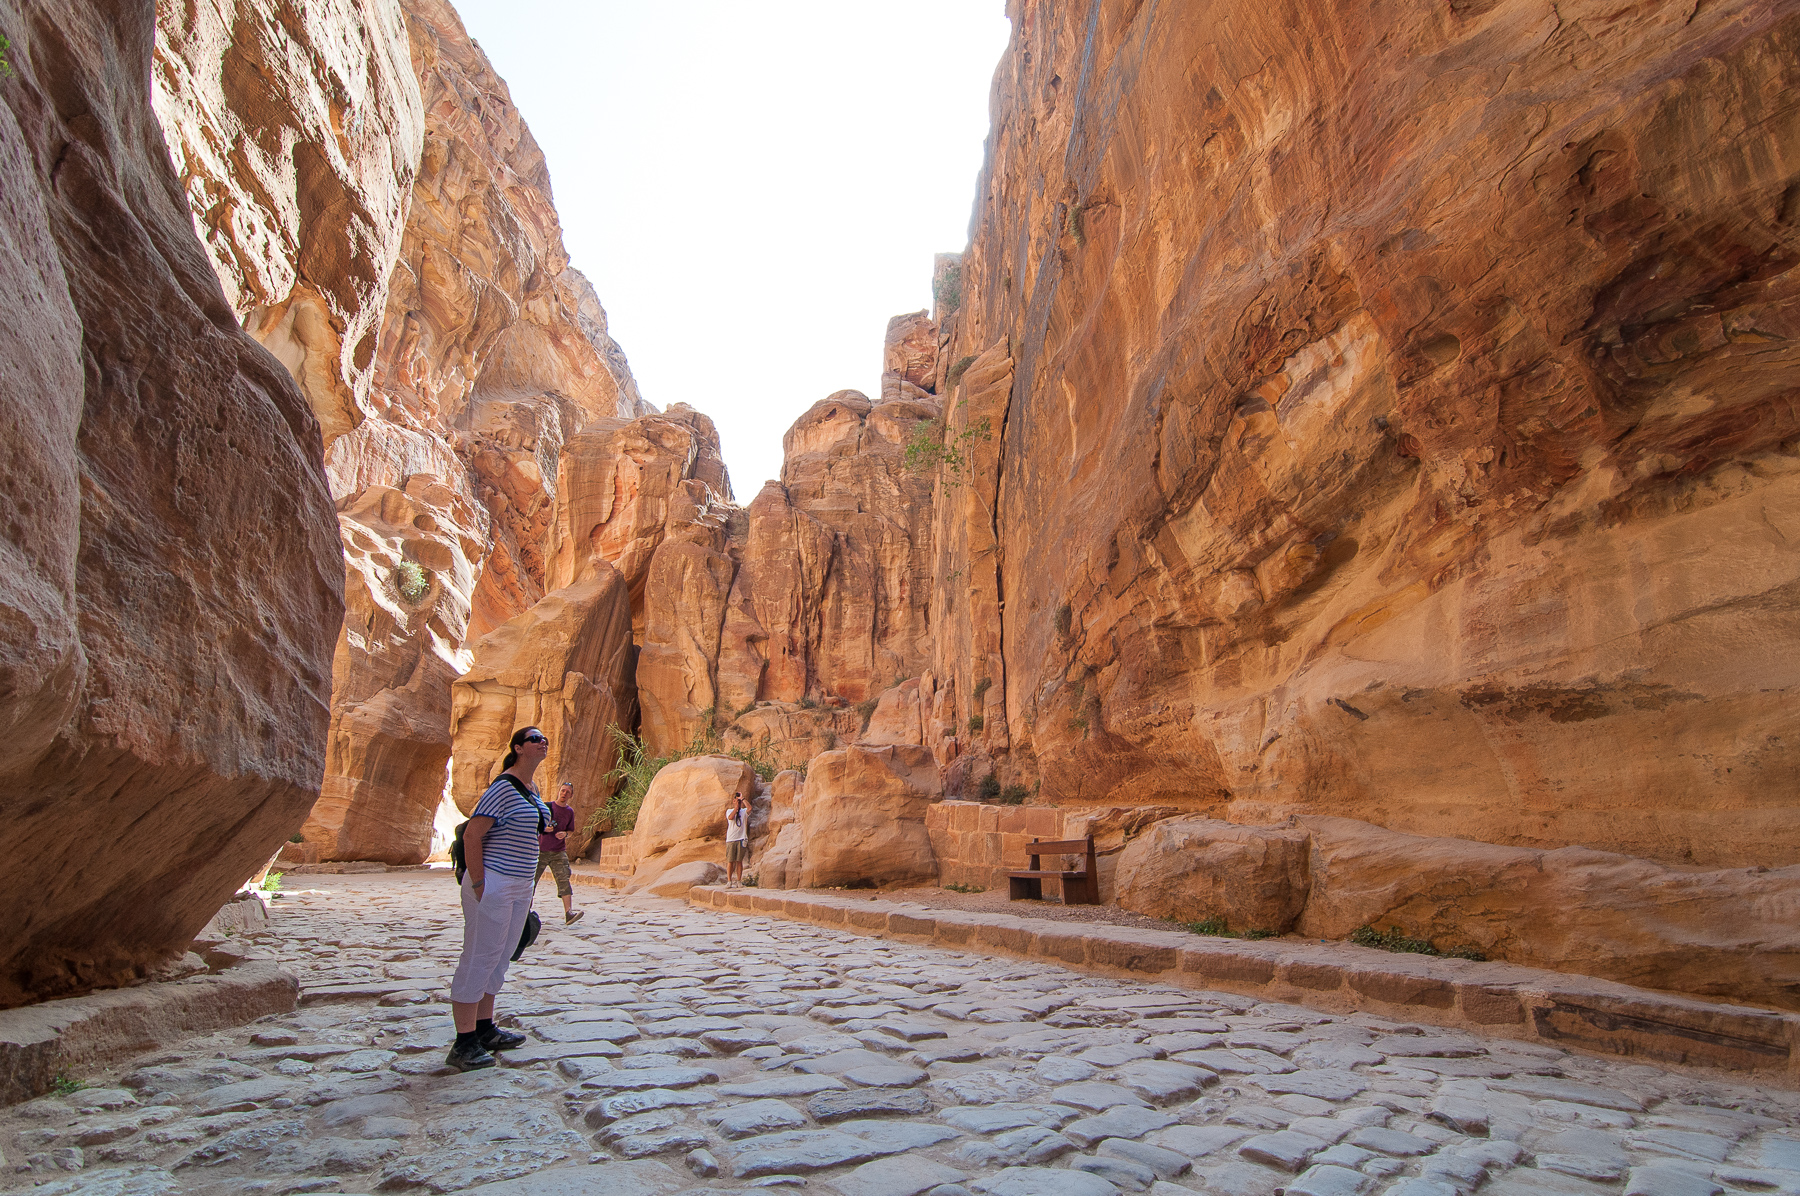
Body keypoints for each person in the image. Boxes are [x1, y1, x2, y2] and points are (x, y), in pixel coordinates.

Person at [446, 726, 553, 1072]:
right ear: (519, 748)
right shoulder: (503, 787)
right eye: (535, 738)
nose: (543, 742)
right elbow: (474, 835)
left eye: (544, 739)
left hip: (519, 885)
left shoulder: (531, 789)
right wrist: (479, 883)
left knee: (501, 956)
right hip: (493, 882)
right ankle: (463, 1043)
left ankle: (484, 1028)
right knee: (480, 956)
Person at [535, 781, 583, 925]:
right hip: (541, 850)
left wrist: (565, 834)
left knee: (564, 880)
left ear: (571, 795)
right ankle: (523, 913)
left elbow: (570, 830)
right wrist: (544, 828)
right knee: (530, 882)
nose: (564, 794)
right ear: (558, 791)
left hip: (558, 851)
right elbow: (535, 824)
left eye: (568, 792)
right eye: (562, 791)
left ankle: (569, 913)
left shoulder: (569, 812)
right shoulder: (546, 807)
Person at [723, 793, 750, 887]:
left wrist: (743, 799)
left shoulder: (743, 811)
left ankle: (739, 881)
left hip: (741, 838)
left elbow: (750, 808)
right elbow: (731, 817)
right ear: (733, 801)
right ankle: (729, 881)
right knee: (730, 861)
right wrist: (736, 808)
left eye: (739, 801)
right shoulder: (729, 811)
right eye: (736, 800)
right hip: (731, 839)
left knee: (739, 861)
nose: (738, 802)